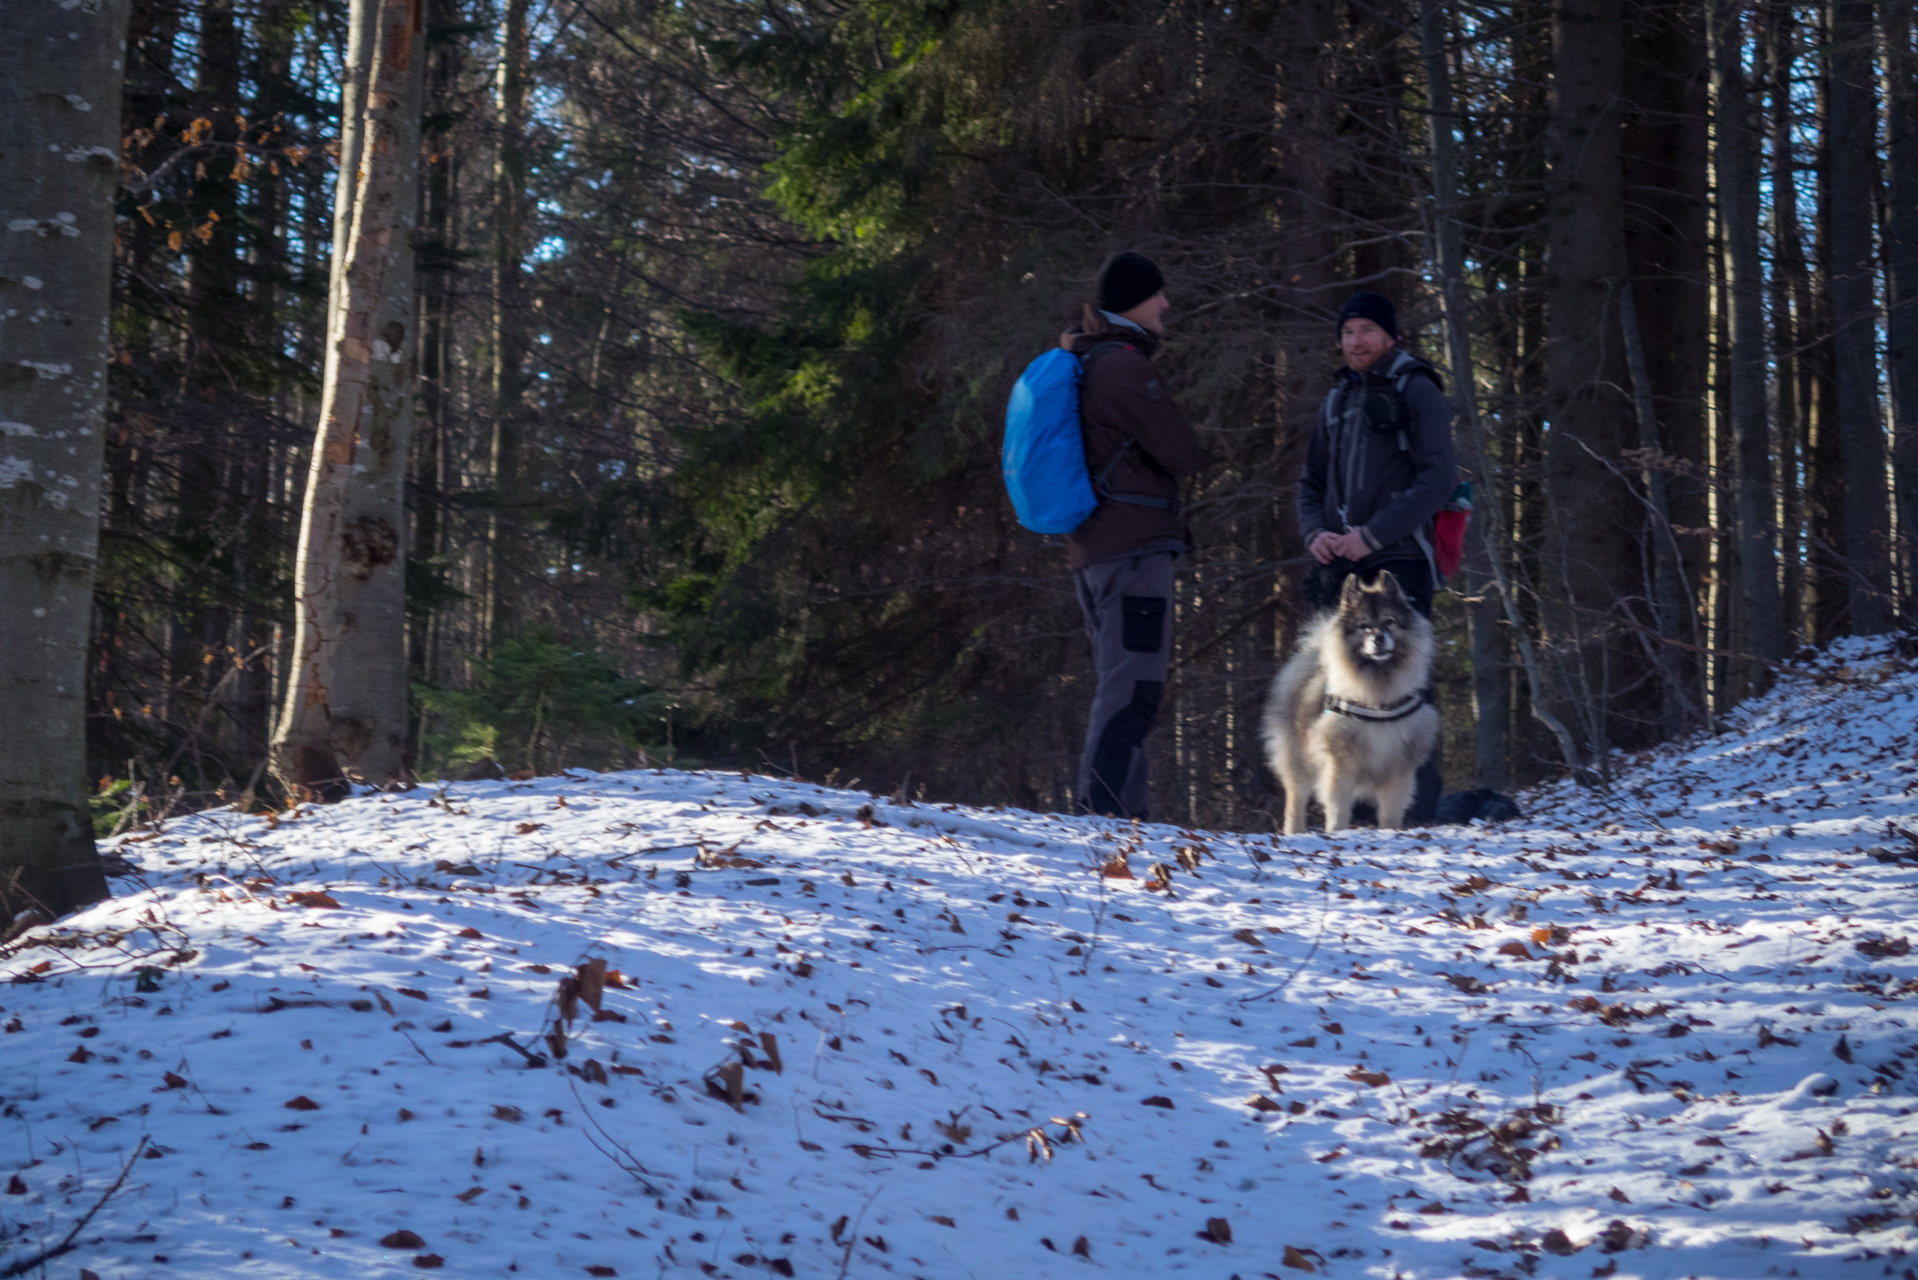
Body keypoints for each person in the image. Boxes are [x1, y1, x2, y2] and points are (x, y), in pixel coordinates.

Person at [1298, 289, 1456, 821]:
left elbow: (1439, 479)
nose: (1355, 341)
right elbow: (1310, 482)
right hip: (1342, 565)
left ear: (1391, 337)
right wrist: (1315, 534)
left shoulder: (1418, 389)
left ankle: (1415, 814)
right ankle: (1354, 816)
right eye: (1347, 332)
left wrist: (1373, 535)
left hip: (1402, 560)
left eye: (1366, 330)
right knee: (1343, 693)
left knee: (1408, 692)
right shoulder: (1336, 399)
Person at [1062, 252, 1206, 820]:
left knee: (1124, 682)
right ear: (1131, 302)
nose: (1166, 303)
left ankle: (1126, 814)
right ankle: (1103, 813)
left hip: (1096, 549)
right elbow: (1182, 450)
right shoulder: (1123, 367)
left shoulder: (1089, 360)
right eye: (1157, 294)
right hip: (1132, 550)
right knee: (1133, 689)